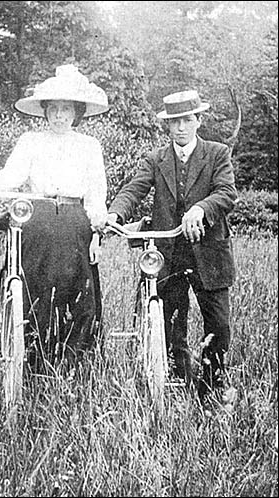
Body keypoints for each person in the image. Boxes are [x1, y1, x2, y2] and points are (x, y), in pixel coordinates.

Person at [0, 64, 109, 373]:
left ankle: (74, 365)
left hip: (76, 222)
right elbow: (11, 176)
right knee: (37, 290)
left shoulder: (89, 146)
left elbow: (96, 195)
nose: (59, 115)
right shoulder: (31, 142)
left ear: (76, 112)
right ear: (45, 111)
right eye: (54, 109)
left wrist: (96, 234)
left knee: (80, 295)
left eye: (66, 109)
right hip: (39, 220)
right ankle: (33, 362)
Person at [107, 90, 237, 400]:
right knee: (169, 320)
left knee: (217, 323)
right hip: (168, 253)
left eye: (186, 120)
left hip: (209, 252)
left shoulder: (217, 153)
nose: (180, 127)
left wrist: (201, 209)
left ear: (198, 121)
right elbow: (133, 189)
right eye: (174, 122)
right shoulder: (156, 159)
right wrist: (115, 213)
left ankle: (212, 385)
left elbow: (227, 194)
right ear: (167, 125)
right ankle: (177, 381)